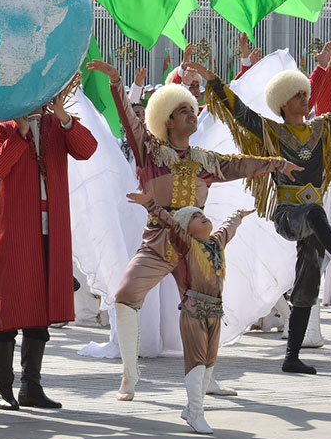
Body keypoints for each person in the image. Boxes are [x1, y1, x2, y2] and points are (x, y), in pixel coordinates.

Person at [86, 55, 293, 400]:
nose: (192, 115)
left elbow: (240, 164)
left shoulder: (205, 160)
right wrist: (116, 83)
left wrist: (276, 164)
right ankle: (129, 376)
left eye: (194, 110)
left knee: (206, 310)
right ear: (166, 120)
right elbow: (128, 119)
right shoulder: (150, 152)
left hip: (196, 247)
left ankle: (207, 378)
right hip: (157, 241)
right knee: (124, 297)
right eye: (184, 111)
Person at [191, 46, 331, 374]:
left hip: (313, 222)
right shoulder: (272, 132)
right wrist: (213, 80)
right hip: (288, 215)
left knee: (306, 284)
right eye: (297, 94)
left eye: (305, 93)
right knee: (316, 213)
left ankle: (292, 357)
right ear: (283, 103)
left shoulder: (322, 128)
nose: (305, 97)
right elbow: (239, 113)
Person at [0, 79, 97, 410]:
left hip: (53, 231)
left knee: (41, 308)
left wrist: (65, 118)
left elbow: (87, 149)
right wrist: (19, 135)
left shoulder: (55, 125)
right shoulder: (2, 128)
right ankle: (3, 389)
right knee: (10, 306)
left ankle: (31, 386)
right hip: (18, 232)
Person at [129, 188, 251, 434]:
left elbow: (229, 227)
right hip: (194, 311)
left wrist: (239, 215)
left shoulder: (216, 243)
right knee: (196, 362)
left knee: (209, 363)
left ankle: (191, 408)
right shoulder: (185, 244)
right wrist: (151, 205)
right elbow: (171, 223)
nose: (201, 217)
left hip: (215, 311)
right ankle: (196, 412)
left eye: (202, 214)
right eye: (195, 217)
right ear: (186, 228)